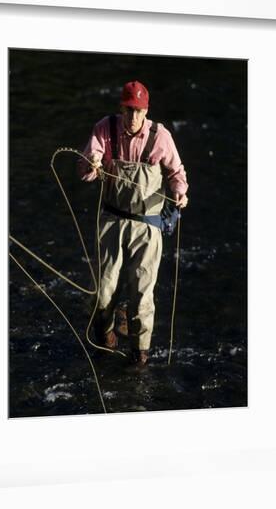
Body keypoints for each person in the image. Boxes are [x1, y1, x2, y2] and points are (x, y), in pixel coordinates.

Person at [79, 80, 189, 366]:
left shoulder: (159, 136)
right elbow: (84, 173)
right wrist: (92, 163)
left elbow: (176, 171)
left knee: (141, 295)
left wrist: (180, 193)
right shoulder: (105, 128)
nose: (133, 117)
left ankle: (140, 355)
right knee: (103, 291)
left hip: (147, 226)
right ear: (121, 107)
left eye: (138, 111)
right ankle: (105, 336)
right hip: (111, 221)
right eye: (129, 110)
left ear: (146, 110)